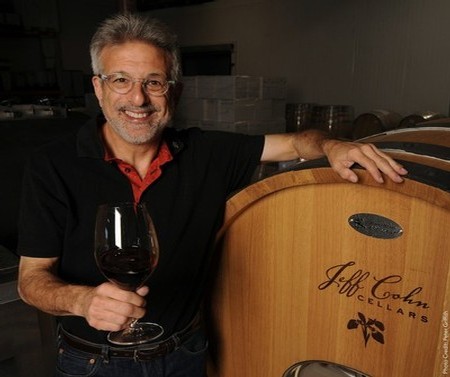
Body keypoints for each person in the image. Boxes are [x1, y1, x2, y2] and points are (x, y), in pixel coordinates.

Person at [16, 13, 407, 377]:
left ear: (176, 92)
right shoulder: (53, 165)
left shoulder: (207, 153)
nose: (138, 99)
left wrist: (332, 144)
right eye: (121, 80)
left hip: (185, 353)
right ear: (98, 88)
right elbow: (31, 281)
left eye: (154, 82)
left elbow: (297, 143)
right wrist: (82, 302)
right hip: (94, 361)